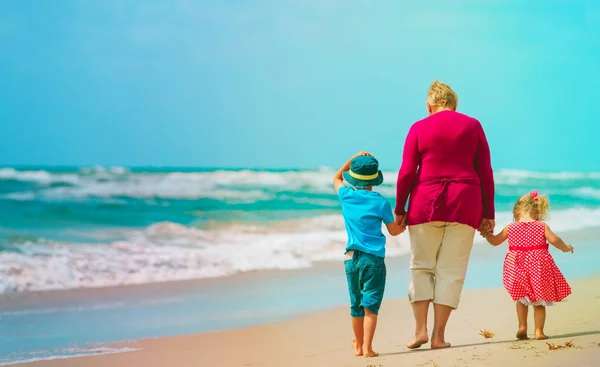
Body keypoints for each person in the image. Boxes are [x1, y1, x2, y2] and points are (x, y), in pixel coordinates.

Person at [394, 80, 495, 349]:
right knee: (451, 271)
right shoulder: (472, 125)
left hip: (424, 204)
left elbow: (406, 172)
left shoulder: (418, 127)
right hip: (466, 204)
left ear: (430, 105)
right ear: (455, 104)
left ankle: (419, 331)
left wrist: (399, 209)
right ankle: (438, 337)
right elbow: (485, 171)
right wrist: (489, 212)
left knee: (421, 266)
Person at [334, 151, 404, 357]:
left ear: (353, 177)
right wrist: (403, 224)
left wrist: (352, 158)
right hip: (373, 260)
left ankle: (358, 345)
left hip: (350, 258)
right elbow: (393, 231)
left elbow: (336, 177)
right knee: (370, 306)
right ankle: (368, 348)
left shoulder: (346, 196)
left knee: (356, 305)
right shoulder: (380, 202)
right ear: (375, 179)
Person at [483, 190, 573, 340]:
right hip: (538, 266)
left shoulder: (510, 227)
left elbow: (495, 241)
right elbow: (554, 240)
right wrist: (566, 248)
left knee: (521, 299)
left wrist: (486, 234)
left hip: (517, 267)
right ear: (537, 214)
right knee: (539, 302)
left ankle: (522, 327)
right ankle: (539, 332)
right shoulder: (541, 226)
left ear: (516, 212)